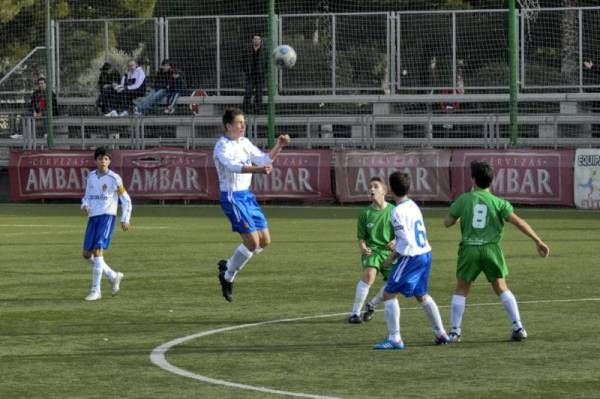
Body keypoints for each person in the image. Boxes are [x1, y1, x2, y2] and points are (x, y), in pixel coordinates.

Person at [443, 160, 550, 342]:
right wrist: (538, 240)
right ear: (491, 181)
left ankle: (454, 332)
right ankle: (518, 326)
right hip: (491, 249)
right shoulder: (499, 203)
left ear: (473, 179)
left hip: (470, 249)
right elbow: (519, 222)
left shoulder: (464, 199)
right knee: (501, 288)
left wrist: (460, 217)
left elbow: (447, 222)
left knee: (461, 289)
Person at [214, 108, 291, 302]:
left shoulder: (245, 143)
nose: (243, 126)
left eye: (244, 122)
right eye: (239, 123)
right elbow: (233, 167)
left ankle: (228, 266)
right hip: (232, 197)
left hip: (247, 196)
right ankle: (228, 276)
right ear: (228, 126)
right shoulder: (222, 147)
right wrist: (258, 170)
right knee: (253, 242)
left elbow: (264, 159)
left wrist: (279, 146)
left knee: (265, 241)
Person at [373, 171, 450, 350]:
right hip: (425, 253)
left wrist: (391, 257)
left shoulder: (397, 212)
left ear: (390, 190)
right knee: (421, 294)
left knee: (389, 293)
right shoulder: (413, 205)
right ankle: (441, 333)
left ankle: (395, 339)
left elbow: (406, 241)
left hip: (412, 257)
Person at [81, 146, 132, 301]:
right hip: (93, 217)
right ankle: (112, 275)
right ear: (95, 161)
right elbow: (87, 196)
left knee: (98, 251)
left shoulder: (114, 178)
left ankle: (96, 291)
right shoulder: (91, 177)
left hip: (107, 217)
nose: (102, 161)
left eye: (106, 159)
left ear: (109, 161)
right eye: (100, 158)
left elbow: (126, 199)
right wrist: (84, 204)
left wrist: (125, 218)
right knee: (86, 255)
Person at [348, 176, 395, 324]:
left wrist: (395, 241)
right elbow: (361, 237)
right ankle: (355, 314)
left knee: (394, 284)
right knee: (369, 276)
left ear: (384, 191)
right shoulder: (365, 213)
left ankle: (372, 304)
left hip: (390, 253)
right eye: (370, 187)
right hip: (373, 250)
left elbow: (402, 233)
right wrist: (362, 247)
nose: (371, 189)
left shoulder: (394, 211)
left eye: (375, 186)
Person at [242, 34, 266, 114]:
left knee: (259, 93)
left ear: (260, 40)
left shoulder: (264, 50)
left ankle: (258, 110)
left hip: (260, 76)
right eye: (255, 39)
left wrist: (264, 71)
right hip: (250, 75)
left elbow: (267, 63)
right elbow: (243, 61)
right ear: (252, 40)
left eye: (258, 39)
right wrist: (245, 70)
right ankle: (245, 110)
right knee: (248, 92)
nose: (256, 40)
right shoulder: (247, 50)